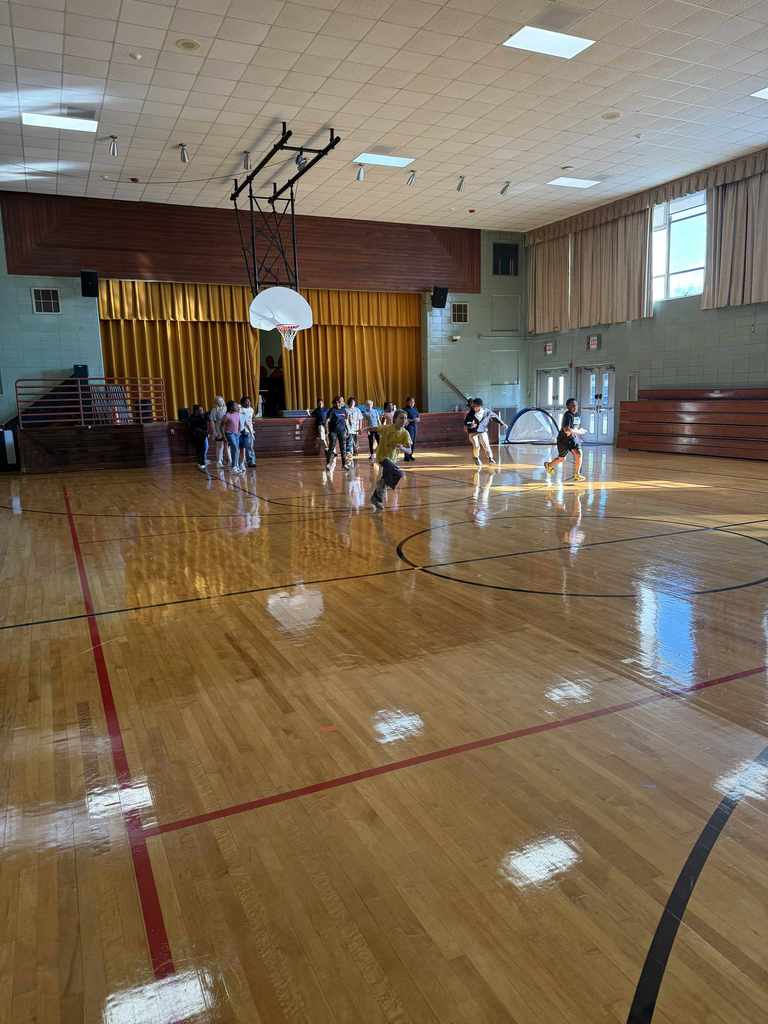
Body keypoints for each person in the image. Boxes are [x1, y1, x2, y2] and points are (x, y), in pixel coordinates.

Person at [370, 409, 412, 510]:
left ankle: (376, 499)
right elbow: (374, 428)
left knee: (384, 482)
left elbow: (409, 451)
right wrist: (363, 429)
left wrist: (402, 448)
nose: (403, 420)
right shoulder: (387, 428)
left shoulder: (405, 433)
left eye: (405, 418)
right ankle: (379, 492)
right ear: (395, 419)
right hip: (382, 457)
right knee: (399, 473)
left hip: (392, 460)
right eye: (401, 418)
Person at [545, 398, 586, 481]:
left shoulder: (577, 415)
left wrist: (578, 434)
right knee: (562, 459)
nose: (575, 407)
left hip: (572, 439)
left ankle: (577, 474)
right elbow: (567, 431)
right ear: (568, 407)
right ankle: (548, 465)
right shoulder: (567, 416)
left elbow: (575, 428)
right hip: (563, 440)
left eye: (576, 405)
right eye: (573, 406)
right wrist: (578, 432)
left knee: (579, 454)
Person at [464, 398, 507, 466]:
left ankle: (490, 459)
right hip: (472, 432)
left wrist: (502, 424)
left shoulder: (487, 412)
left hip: (482, 430)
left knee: (486, 445)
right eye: (473, 406)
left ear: (479, 406)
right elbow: (466, 422)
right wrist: (470, 425)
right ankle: (476, 457)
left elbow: (495, 417)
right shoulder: (470, 413)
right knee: (476, 446)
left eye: (475, 406)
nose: (473, 408)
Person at [325, 395, 351, 470]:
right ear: (337, 402)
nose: (343, 402)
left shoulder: (344, 410)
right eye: (342, 401)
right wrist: (327, 432)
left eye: (343, 400)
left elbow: (346, 421)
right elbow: (327, 421)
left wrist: (348, 430)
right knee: (331, 447)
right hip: (333, 432)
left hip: (342, 432)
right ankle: (328, 464)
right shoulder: (332, 410)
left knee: (343, 448)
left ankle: (344, 464)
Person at [222, 400, 243, 474]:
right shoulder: (227, 415)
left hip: (236, 434)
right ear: (231, 407)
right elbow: (222, 426)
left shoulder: (237, 414)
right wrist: (224, 436)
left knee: (236, 450)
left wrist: (239, 431)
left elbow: (239, 423)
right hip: (229, 433)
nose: (237, 406)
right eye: (235, 405)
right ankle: (234, 466)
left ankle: (235, 466)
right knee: (235, 448)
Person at [187, 403, 209, 471]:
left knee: (204, 448)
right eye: (200, 410)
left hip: (203, 435)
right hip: (196, 435)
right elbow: (191, 427)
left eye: (202, 409)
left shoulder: (203, 416)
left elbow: (206, 425)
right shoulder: (192, 418)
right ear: (196, 411)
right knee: (200, 449)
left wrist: (206, 433)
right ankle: (201, 463)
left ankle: (201, 462)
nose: (202, 411)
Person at [208, 395, 228, 466]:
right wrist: (214, 431)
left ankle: (228, 460)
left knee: (227, 445)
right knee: (219, 445)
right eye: (219, 401)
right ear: (216, 402)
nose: (221, 402)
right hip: (218, 428)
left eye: (222, 401)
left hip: (227, 428)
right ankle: (219, 461)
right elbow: (212, 421)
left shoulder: (226, 408)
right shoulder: (214, 409)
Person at [238, 395, 256, 469]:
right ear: (242, 403)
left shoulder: (251, 409)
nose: (248, 403)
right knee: (240, 448)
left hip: (249, 430)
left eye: (249, 401)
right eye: (246, 402)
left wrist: (252, 422)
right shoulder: (240, 409)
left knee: (250, 447)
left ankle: (251, 461)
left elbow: (252, 418)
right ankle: (240, 462)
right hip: (241, 431)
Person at [403, 396, 420, 461]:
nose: (412, 403)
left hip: (415, 427)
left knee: (413, 441)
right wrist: (413, 420)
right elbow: (405, 419)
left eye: (413, 402)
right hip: (409, 427)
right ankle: (406, 456)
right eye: (411, 402)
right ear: (407, 402)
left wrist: (417, 419)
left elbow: (418, 417)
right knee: (408, 441)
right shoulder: (404, 410)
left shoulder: (415, 409)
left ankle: (410, 455)